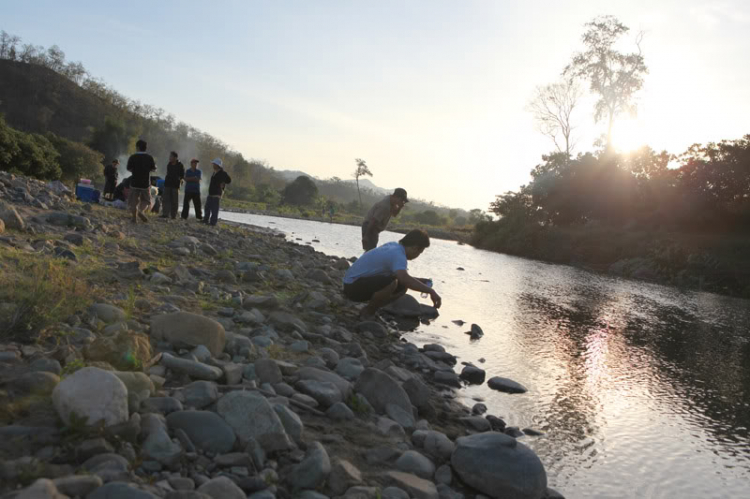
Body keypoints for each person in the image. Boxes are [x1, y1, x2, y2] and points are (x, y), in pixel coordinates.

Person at [343, 229, 441, 319]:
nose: (417, 256)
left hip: (353, 283)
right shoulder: (398, 255)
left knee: (402, 285)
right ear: (415, 248)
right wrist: (431, 291)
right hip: (352, 287)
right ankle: (368, 312)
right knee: (393, 283)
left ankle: (372, 309)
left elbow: (400, 276)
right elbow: (403, 278)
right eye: (420, 252)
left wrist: (419, 281)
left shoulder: (394, 246)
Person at [125, 139, 156, 223]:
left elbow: (129, 168)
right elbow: (153, 169)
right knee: (146, 200)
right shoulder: (149, 157)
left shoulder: (133, 157)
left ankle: (134, 218)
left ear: (137, 147)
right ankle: (141, 211)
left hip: (134, 182)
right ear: (145, 148)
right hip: (145, 183)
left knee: (133, 201)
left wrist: (135, 171)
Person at [203, 158, 231, 226]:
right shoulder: (214, 172)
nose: (213, 165)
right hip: (211, 193)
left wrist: (223, 183)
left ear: (218, 165)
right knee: (207, 207)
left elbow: (229, 180)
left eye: (214, 164)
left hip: (217, 194)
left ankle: (213, 223)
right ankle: (205, 220)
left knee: (214, 209)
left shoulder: (223, 173)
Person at [161, 151, 185, 219]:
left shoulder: (180, 165)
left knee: (174, 201)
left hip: (175, 185)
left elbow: (182, 175)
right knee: (165, 199)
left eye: (171, 156)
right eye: (169, 156)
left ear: (175, 157)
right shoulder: (169, 164)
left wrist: (181, 181)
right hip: (167, 184)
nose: (169, 158)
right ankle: (165, 214)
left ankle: (173, 215)